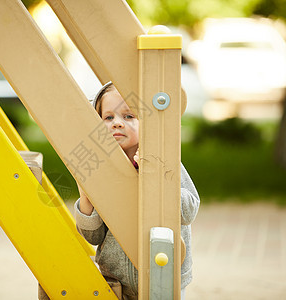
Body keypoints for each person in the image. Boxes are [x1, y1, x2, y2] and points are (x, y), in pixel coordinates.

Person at [74, 82, 200, 300]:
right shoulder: (102, 170)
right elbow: (93, 237)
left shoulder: (166, 161)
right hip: (116, 280)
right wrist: (86, 199)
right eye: (108, 118)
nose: (117, 124)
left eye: (129, 116)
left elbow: (188, 212)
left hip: (166, 275)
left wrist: (155, 176)